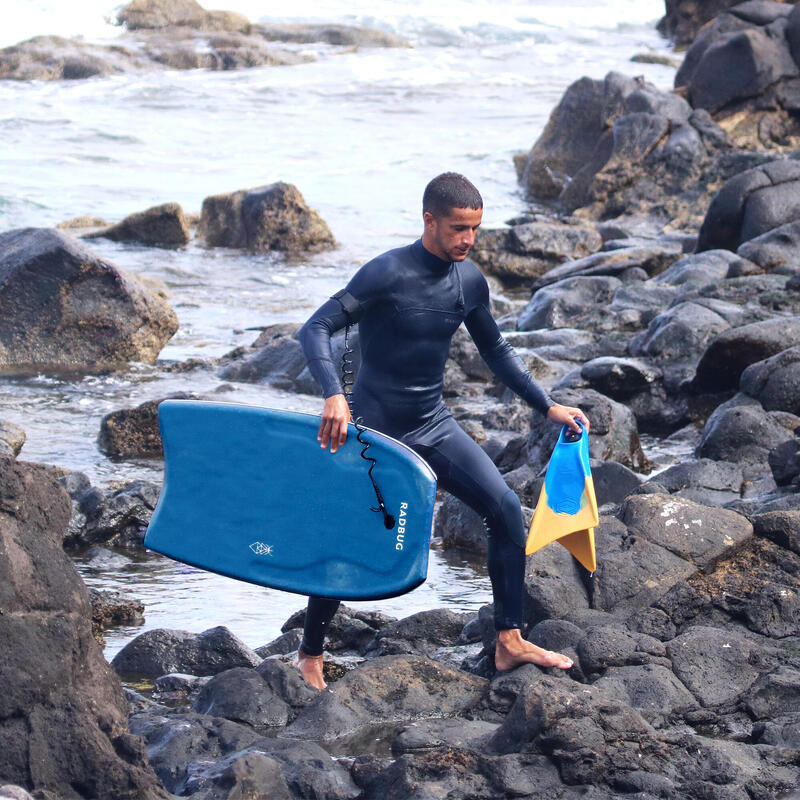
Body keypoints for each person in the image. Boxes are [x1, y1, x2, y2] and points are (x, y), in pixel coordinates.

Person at [295, 172, 589, 690]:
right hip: (374, 434)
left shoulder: (469, 281)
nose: (468, 240)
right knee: (346, 537)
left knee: (502, 509)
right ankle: (310, 654)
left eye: (475, 229)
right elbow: (315, 327)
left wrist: (547, 405)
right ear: (429, 219)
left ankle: (509, 640)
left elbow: (495, 351)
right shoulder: (385, 273)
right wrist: (333, 395)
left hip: (432, 423)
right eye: (458, 228)